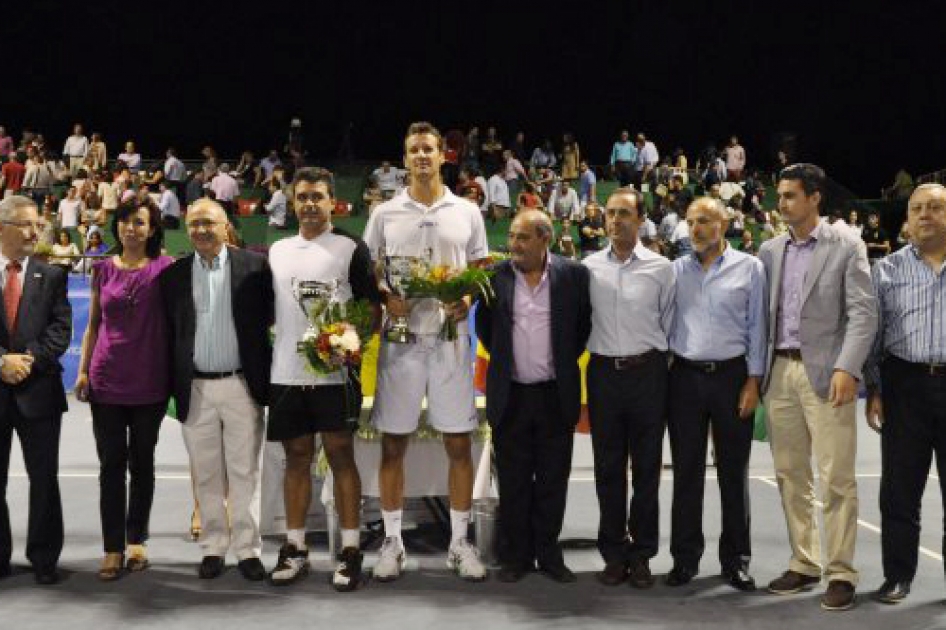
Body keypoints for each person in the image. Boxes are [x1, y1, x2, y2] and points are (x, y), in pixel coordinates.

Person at [363, 121, 489, 582]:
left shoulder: (467, 211)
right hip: (401, 343)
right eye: (413, 150)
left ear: (442, 157)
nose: (420, 156)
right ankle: (393, 543)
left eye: (428, 150)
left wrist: (468, 299)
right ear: (404, 158)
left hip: (451, 343)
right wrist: (383, 295)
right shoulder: (384, 213)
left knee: (458, 442)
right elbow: (371, 269)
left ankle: (459, 542)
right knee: (393, 442)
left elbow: (479, 268)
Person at [757, 163, 877, 611]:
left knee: (837, 479)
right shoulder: (770, 249)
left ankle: (841, 571)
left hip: (827, 373)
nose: (781, 203)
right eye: (780, 195)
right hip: (780, 373)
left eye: (790, 195)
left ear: (814, 198)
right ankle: (804, 561)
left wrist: (849, 367)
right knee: (791, 475)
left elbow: (864, 313)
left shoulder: (847, 244)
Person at [267, 168, 380, 591]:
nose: (309, 204)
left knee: (340, 456)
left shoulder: (351, 247)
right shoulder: (277, 251)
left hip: (337, 377)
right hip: (286, 374)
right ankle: (294, 547)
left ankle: (350, 550)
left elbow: (371, 308)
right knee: (296, 457)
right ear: (292, 203)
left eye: (317, 196)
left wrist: (349, 344)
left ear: (333, 201)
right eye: (302, 197)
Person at [160, 199, 273, 581]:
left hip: (242, 384)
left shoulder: (255, 268)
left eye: (208, 223)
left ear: (226, 227)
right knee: (206, 474)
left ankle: (247, 549)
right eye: (194, 224)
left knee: (245, 472)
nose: (201, 231)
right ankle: (213, 547)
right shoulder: (173, 276)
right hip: (196, 387)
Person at [475, 210, 591, 583]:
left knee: (553, 480)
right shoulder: (495, 277)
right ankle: (517, 556)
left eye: (523, 238)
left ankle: (549, 554)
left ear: (545, 239)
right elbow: (486, 332)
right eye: (511, 237)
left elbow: (580, 330)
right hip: (511, 397)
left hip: (555, 396)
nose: (514, 245)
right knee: (513, 481)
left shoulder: (574, 275)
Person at [666, 197, 766, 591]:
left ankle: (736, 560)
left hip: (732, 377)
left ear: (723, 224)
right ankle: (684, 560)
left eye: (704, 221)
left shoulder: (751, 268)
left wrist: (754, 380)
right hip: (685, 380)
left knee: (732, 474)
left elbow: (758, 327)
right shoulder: (674, 271)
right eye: (691, 222)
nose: (695, 229)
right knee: (686, 473)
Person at [74, 198, 174, 581]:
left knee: (142, 464)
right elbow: (92, 326)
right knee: (111, 467)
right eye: (126, 222)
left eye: (140, 222)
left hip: (150, 382)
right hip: (107, 380)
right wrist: (83, 372)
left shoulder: (166, 269)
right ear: (117, 227)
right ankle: (112, 548)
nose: (131, 228)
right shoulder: (101, 269)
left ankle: (137, 542)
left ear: (151, 229)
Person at [583, 188, 675, 589]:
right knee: (607, 469)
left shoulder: (662, 268)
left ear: (641, 220)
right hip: (603, 374)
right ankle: (613, 554)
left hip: (648, 374)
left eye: (624, 213)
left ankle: (642, 555)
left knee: (647, 470)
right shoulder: (586, 268)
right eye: (610, 213)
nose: (615, 219)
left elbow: (670, 323)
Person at [863, 183, 946, 605]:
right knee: (899, 491)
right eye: (917, 209)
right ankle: (897, 576)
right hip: (905, 385)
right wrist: (875, 388)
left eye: (935, 207)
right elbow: (873, 336)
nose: (925, 215)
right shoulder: (887, 270)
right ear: (907, 219)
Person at [0, 195, 71, 585]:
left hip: (39, 391)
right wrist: (1, 363)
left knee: (44, 478)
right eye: (26, 225)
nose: (34, 232)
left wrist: (25, 360)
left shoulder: (53, 275)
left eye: (37, 225)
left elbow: (60, 331)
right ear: (2, 228)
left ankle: (45, 558)